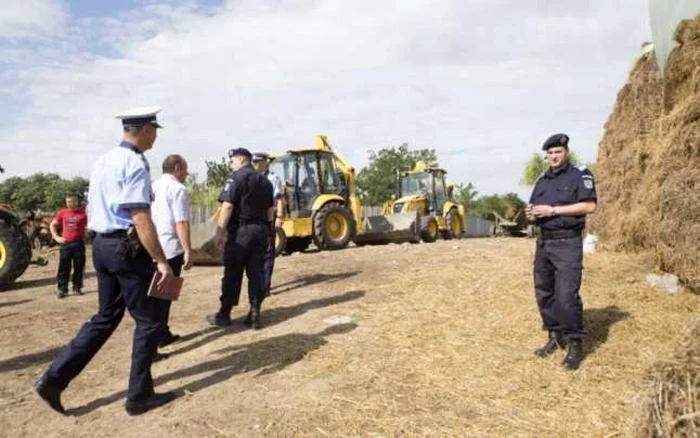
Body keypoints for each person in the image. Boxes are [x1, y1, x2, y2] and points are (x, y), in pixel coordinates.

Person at [34, 106, 176, 416]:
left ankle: (53, 379)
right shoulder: (136, 163)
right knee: (150, 320)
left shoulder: (103, 160)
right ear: (146, 129)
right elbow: (140, 216)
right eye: (155, 130)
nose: (156, 137)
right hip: (126, 249)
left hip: (100, 246)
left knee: (106, 316)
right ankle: (139, 396)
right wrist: (161, 261)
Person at [525, 133, 597, 371]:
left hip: (567, 243)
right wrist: (532, 213)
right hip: (544, 243)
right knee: (545, 293)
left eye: (558, 152)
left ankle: (575, 343)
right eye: (550, 153)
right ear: (546, 155)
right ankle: (555, 337)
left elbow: (589, 205)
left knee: (566, 296)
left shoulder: (579, 174)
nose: (554, 156)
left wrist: (553, 211)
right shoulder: (542, 180)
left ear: (566, 152)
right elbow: (537, 208)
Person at [207, 148, 273, 330]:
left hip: (240, 234)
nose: (231, 164)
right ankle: (254, 313)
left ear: (241, 159)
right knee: (256, 273)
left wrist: (219, 233)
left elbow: (227, 206)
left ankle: (225, 313)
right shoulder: (265, 181)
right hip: (260, 232)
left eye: (232, 161)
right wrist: (265, 230)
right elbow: (270, 212)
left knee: (232, 274)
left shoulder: (235, 178)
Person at [151, 155, 193, 348]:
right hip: (170, 249)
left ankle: (161, 331)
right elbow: (181, 221)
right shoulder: (178, 189)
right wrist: (188, 250)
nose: (187, 173)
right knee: (165, 296)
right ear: (177, 168)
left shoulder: (152, 186)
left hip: (151, 247)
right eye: (185, 169)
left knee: (154, 294)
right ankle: (158, 335)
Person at [251, 152, 284, 297]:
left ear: (265, 163)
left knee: (268, 253)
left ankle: (265, 286)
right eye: (254, 162)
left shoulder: (273, 178)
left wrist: (279, 217)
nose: (255, 164)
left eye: (258, 162)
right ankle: (257, 284)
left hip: (268, 218)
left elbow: (280, 199)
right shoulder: (251, 178)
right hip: (253, 220)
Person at [50, 195, 88, 298]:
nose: (69, 203)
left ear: (77, 201)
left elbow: (90, 225)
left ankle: (77, 288)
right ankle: (62, 289)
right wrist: (56, 237)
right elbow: (52, 224)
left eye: (71, 201)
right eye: (67, 202)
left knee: (79, 266)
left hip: (78, 243)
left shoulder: (84, 213)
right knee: (63, 268)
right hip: (66, 244)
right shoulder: (62, 213)